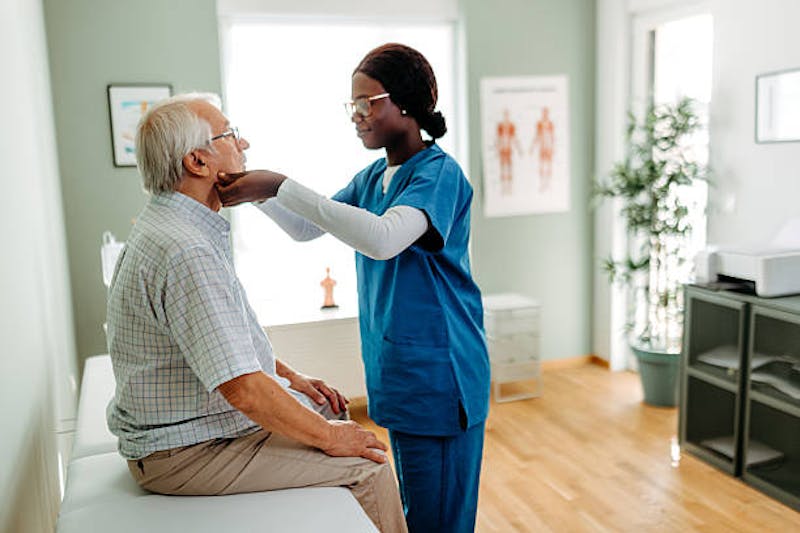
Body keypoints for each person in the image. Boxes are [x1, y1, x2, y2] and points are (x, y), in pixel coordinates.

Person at [216, 43, 491, 533]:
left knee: (439, 518)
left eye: (368, 102)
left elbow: (383, 239)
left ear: (404, 103)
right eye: (353, 105)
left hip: (441, 375)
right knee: (415, 512)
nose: (357, 116)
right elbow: (306, 227)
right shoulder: (373, 177)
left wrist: (279, 184)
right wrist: (256, 193)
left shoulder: (438, 174)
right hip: (400, 372)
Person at [105, 92, 407, 533]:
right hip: (185, 452)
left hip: (187, 434)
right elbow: (243, 390)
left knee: (326, 410)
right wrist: (331, 438)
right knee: (370, 463)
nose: (244, 145)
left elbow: (225, 340)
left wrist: (292, 378)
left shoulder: (175, 225)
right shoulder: (186, 250)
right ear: (198, 162)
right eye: (230, 135)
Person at [495, 108, 523, 194]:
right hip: (502, 150)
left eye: (507, 115)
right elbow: (498, 139)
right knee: (503, 168)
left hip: (508, 150)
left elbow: (514, 138)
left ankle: (510, 188)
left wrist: (519, 149)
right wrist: (497, 149)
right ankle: (504, 187)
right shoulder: (500, 126)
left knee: (509, 168)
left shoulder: (511, 126)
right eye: (505, 115)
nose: (506, 117)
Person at [530, 106, 555, 190]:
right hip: (542, 147)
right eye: (544, 112)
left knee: (548, 165)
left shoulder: (550, 124)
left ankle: (548, 184)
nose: (545, 114)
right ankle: (542, 184)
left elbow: (552, 137)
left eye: (546, 112)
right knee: (542, 165)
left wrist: (553, 147)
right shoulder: (539, 124)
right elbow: (537, 136)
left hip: (549, 147)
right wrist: (532, 147)